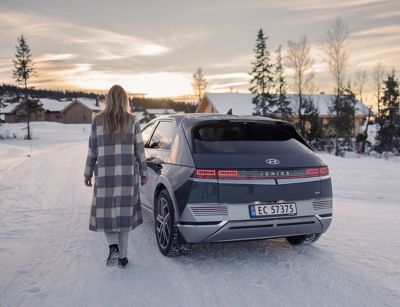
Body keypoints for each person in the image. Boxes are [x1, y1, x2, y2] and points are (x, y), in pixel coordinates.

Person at [84, 84, 148, 268]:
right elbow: (139, 150)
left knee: (107, 212)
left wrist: (87, 173)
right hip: (127, 175)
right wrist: (144, 172)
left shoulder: (98, 120)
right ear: (124, 99)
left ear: (108, 99)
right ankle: (123, 257)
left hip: (105, 175)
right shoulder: (132, 120)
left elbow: (92, 151)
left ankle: (113, 247)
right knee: (124, 214)